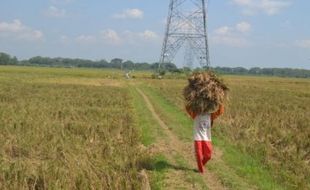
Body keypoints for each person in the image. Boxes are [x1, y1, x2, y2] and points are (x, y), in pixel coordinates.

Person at [186, 104, 224, 174]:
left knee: (208, 156)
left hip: (207, 138)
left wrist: (220, 103)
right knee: (199, 155)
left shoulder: (210, 115)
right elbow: (188, 108)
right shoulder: (195, 114)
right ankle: (200, 170)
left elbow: (220, 112)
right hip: (198, 138)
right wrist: (191, 101)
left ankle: (201, 166)